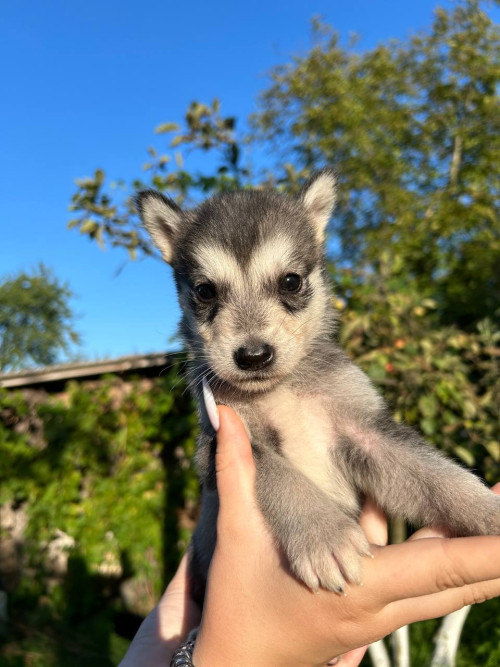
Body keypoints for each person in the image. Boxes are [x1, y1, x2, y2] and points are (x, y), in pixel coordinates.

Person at [120, 406, 500, 667]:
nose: (252, 342)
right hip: (225, 604)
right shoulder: (213, 386)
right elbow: (221, 466)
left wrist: (480, 511)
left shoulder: (330, 371)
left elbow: (379, 446)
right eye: (207, 294)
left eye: (289, 283)